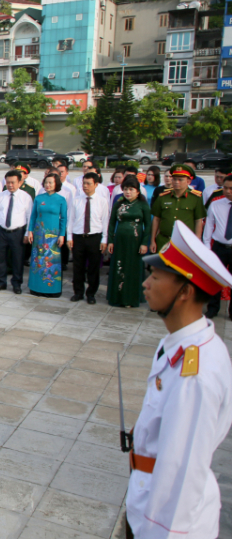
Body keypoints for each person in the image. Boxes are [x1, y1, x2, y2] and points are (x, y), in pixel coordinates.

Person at [125, 221, 232, 539]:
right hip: (146, 495)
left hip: (168, 519)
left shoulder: (194, 375)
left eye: (156, 277)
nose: (146, 284)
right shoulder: (179, 344)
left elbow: (182, 471)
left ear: (185, 291)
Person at [107, 175, 151, 308]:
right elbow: (111, 223)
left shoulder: (142, 205)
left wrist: (144, 243)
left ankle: (130, 299)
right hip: (120, 240)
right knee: (119, 267)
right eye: (125, 189)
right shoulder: (119, 204)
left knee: (132, 268)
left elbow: (148, 225)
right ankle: (117, 297)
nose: (128, 192)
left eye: (131, 189)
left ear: (138, 191)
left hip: (136, 241)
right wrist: (110, 241)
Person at [67, 172, 109, 304]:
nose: (85, 186)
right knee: (78, 267)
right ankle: (78, 292)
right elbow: (71, 219)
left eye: (88, 183)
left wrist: (104, 239)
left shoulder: (102, 201)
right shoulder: (76, 200)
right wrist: (69, 237)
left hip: (94, 237)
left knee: (93, 268)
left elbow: (105, 221)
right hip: (78, 237)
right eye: (83, 183)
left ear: (96, 184)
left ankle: (91, 293)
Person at [0, 170, 33, 294]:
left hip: (18, 232)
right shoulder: (1, 196)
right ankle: (1, 282)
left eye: (13, 182)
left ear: (19, 182)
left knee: (17, 259)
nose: (10, 185)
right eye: (8, 182)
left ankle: (16, 283)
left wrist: (27, 233)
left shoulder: (26, 197)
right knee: (0, 258)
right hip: (2, 231)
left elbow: (30, 217)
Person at [26, 173, 68, 297]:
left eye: (51, 182)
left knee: (51, 261)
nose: (48, 185)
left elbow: (64, 218)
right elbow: (33, 216)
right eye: (46, 182)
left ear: (56, 184)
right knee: (38, 259)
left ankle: (52, 289)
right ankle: (36, 287)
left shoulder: (61, 199)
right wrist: (30, 230)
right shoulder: (39, 198)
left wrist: (62, 234)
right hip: (39, 235)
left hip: (53, 236)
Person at [150, 164, 205, 254]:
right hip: (164, 240)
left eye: (180, 180)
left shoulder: (196, 198)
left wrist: (197, 242)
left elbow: (198, 221)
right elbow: (156, 219)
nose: (176, 182)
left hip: (185, 242)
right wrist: (153, 240)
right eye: (174, 179)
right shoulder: (163, 196)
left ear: (188, 181)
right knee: (161, 267)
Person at [203, 173, 232, 319]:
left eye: (231, 189)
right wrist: (207, 247)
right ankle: (212, 308)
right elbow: (208, 226)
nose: (228, 191)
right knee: (215, 279)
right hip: (219, 247)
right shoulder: (216, 204)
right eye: (226, 188)